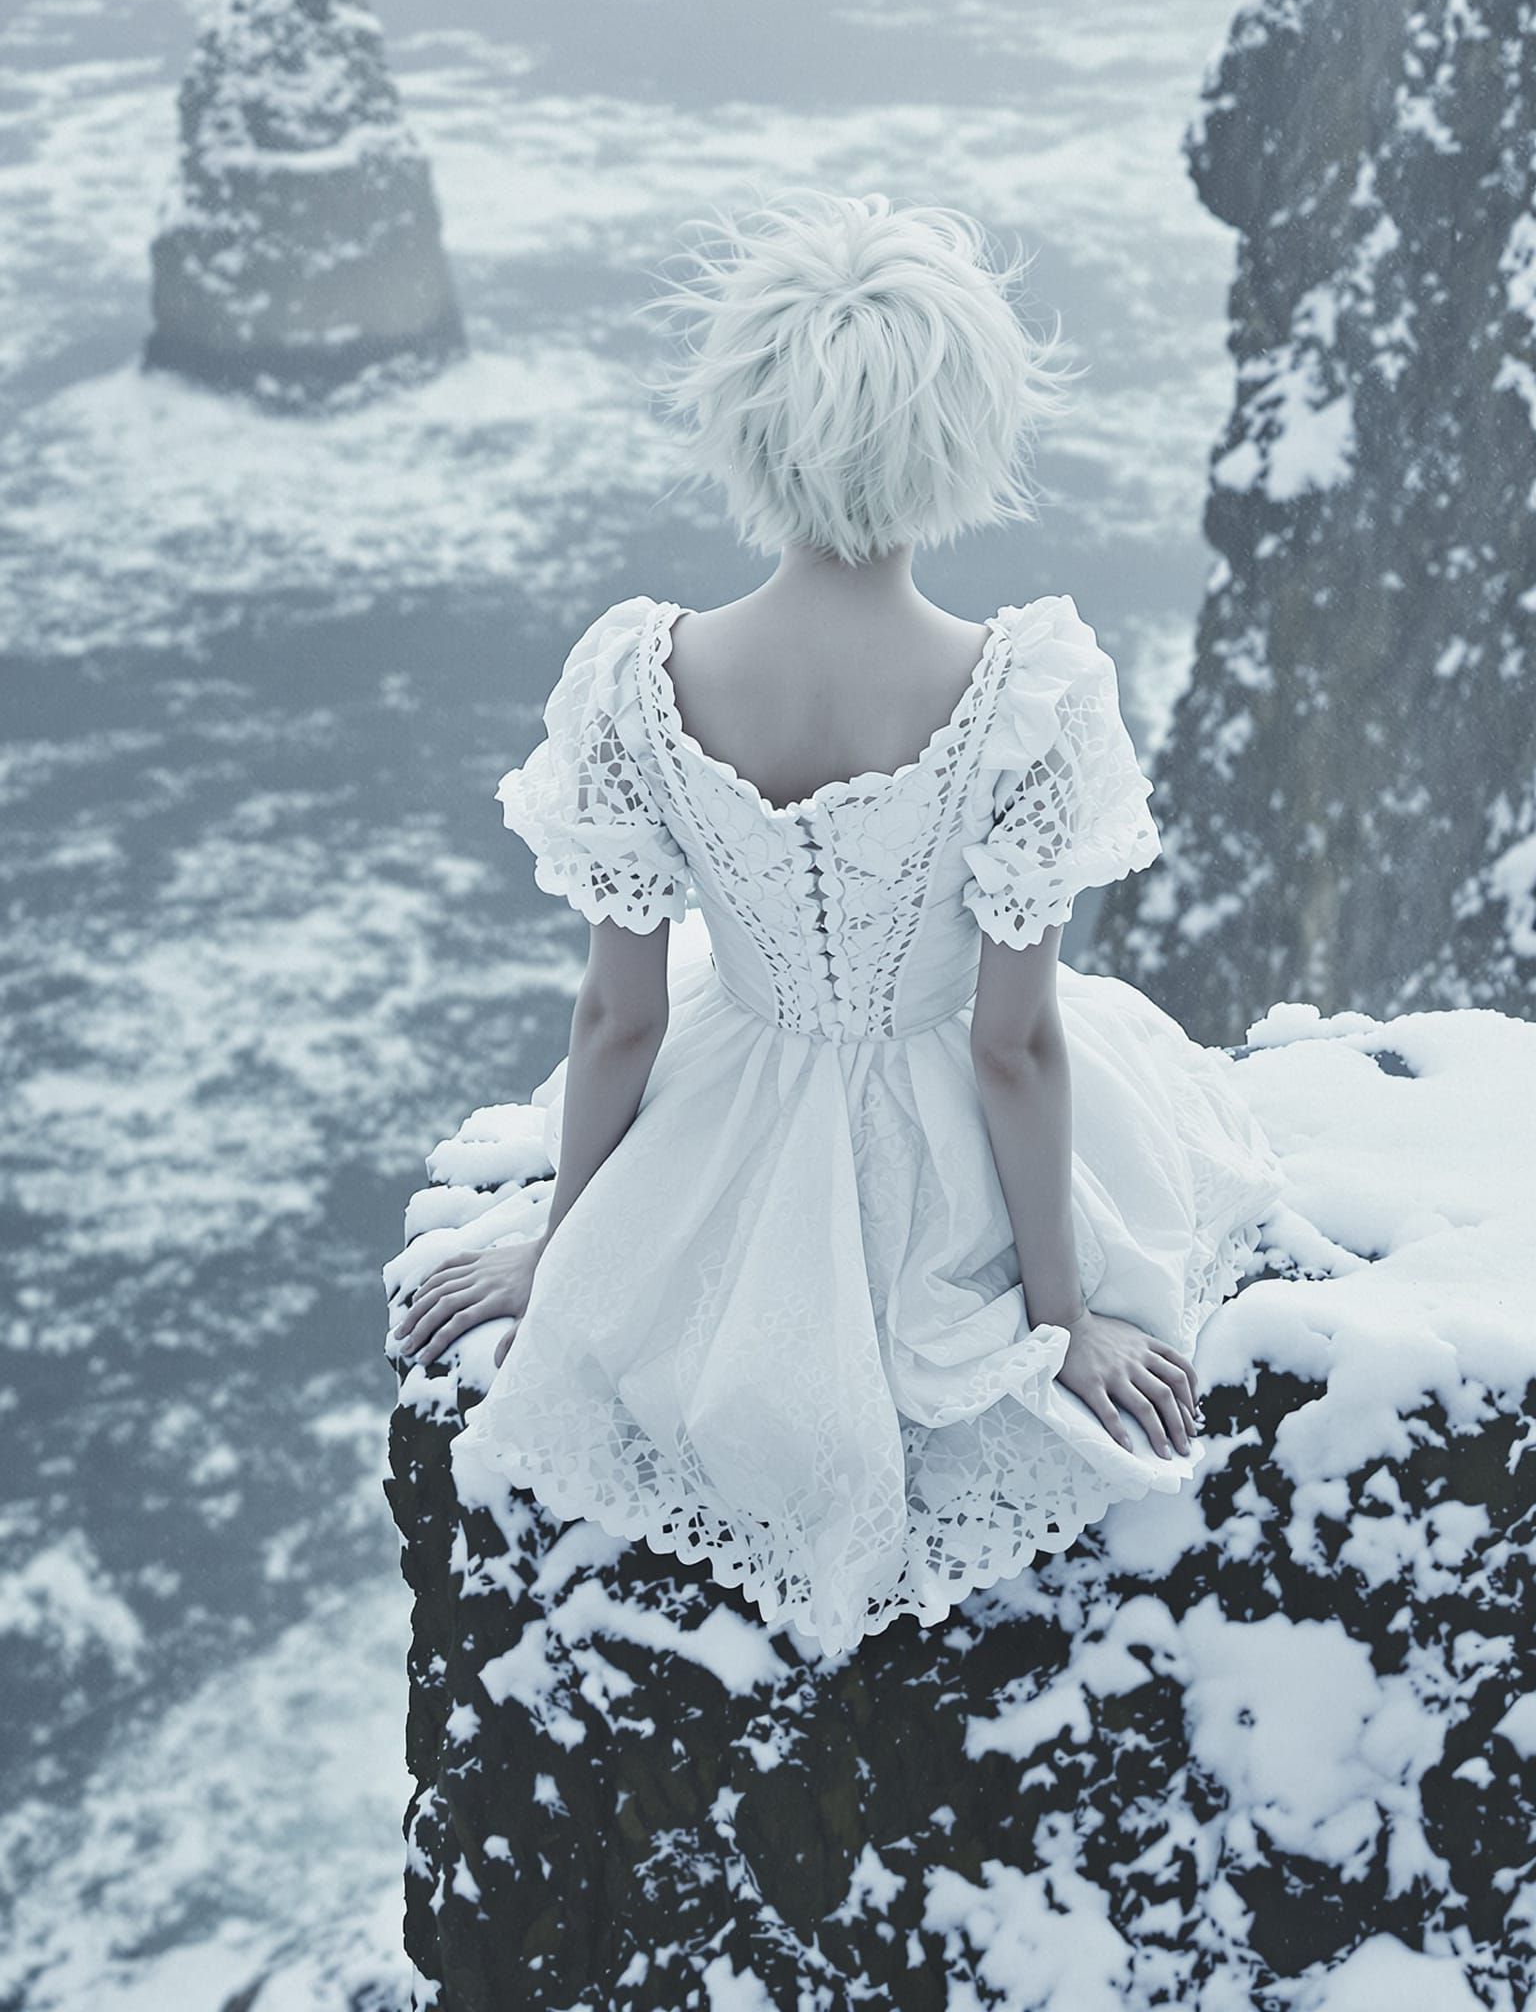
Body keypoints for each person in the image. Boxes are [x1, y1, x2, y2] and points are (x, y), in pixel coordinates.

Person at [389, 190, 1284, 1658]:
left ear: (745, 426)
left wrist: (564, 1239)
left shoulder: (638, 679)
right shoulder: (1024, 698)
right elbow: (1013, 1048)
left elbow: (623, 1016)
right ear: (964, 434)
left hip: (728, 1129)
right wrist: (1062, 1327)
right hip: (955, 1152)